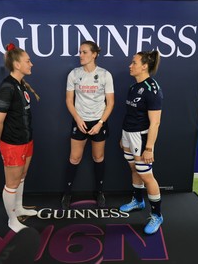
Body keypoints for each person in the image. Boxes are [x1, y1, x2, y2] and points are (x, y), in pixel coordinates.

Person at [0, 43, 40, 232]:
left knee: (22, 177)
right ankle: (12, 220)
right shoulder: (7, 88)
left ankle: (19, 208)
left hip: (26, 140)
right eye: (28, 61)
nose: (31, 64)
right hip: (13, 144)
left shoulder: (20, 85)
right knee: (11, 183)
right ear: (17, 64)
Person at [62, 40, 115, 209]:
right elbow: (69, 101)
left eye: (84, 52)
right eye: (80, 52)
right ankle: (67, 193)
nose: (81, 55)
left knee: (98, 157)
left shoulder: (105, 74)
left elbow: (111, 102)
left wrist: (100, 123)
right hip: (80, 121)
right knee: (74, 157)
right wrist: (78, 119)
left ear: (94, 54)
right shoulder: (73, 74)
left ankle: (99, 191)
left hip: (99, 122)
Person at [119, 50, 164, 235]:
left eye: (134, 62)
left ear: (144, 66)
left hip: (141, 137)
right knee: (134, 169)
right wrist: (123, 138)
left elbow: (155, 122)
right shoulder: (133, 87)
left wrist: (149, 148)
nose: (130, 65)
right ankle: (138, 200)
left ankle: (157, 215)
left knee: (147, 176)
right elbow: (130, 114)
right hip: (127, 134)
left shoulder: (153, 89)